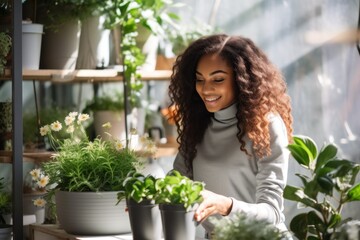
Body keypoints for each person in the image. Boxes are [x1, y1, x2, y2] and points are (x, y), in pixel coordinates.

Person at [168, 33, 293, 238]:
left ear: (242, 79)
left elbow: (273, 213)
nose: (206, 89)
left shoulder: (266, 125)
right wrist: (150, 198)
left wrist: (226, 205)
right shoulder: (199, 124)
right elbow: (177, 180)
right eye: (200, 79)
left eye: (218, 79)